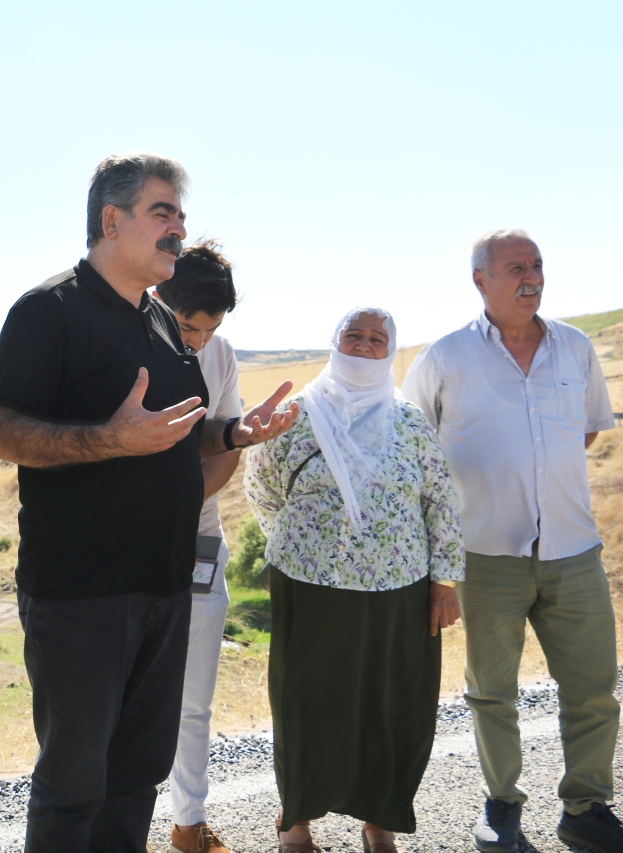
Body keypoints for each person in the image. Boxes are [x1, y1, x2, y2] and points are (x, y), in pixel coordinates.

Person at [0, 152, 297, 853]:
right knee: (74, 787)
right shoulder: (48, 310)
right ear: (111, 219)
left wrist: (238, 431)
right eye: (164, 213)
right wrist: (108, 440)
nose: (178, 229)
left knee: (137, 775)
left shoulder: (159, 320)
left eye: (181, 215)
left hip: (164, 583)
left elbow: (183, 428)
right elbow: (0, 433)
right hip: (80, 594)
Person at [402, 229, 621, 853]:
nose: (532, 277)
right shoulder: (444, 358)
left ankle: (587, 808)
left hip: (574, 552)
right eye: (516, 267)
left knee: (594, 691)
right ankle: (502, 809)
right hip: (487, 557)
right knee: (491, 693)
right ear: (480, 280)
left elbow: (583, 435)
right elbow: (412, 449)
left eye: (538, 266)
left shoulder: (575, 349)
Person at [244, 307, 465, 853]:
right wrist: (305, 545)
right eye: (353, 335)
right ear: (335, 342)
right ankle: (295, 824)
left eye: (376, 338)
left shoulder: (409, 420)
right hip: (310, 586)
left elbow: (439, 501)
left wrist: (445, 582)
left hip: (400, 590)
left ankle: (378, 821)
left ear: (389, 349)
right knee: (305, 703)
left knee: (388, 705)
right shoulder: (298, 413)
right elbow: (263, 489)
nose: (364, 346)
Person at [153, 241, 243, 853]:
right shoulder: (124, 344)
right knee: (128, 700)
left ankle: (188, 825)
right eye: (190, 326)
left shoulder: (222, 354)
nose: (201, 342)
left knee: (193, 703)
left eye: (212, 329)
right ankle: (119, 827)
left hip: (200, 545)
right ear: (159, 298)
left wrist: (182, 512)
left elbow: (227, 448)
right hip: (130, 549)